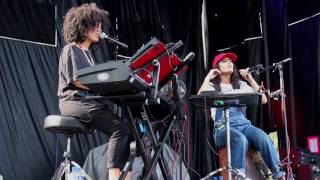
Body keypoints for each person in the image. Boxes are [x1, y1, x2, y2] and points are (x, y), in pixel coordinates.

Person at [57, 3, 130, 180]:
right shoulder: (72, 48)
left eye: (100, 25)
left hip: (87, 102)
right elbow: (77, 80)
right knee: (119, 128)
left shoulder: (89, 55)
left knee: (128, 129)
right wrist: (105, 87)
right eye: (95, 25)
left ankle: (126, 175)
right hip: (73, 102)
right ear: (83, 26)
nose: (99, 28)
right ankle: (114, 176)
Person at [198, 52, 285, 180]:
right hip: (223, 127)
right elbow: (200, 99)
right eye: (224, 61)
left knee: (264, 138)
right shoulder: (212, 86)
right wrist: (208, 77)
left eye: (231, 61)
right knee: (240, 139)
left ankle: (280, 176)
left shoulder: (241, 85)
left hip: (244, 125)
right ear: (217, 67)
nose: (229, 63)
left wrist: (250, 78)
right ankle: (239, 177)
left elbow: (264, 100)